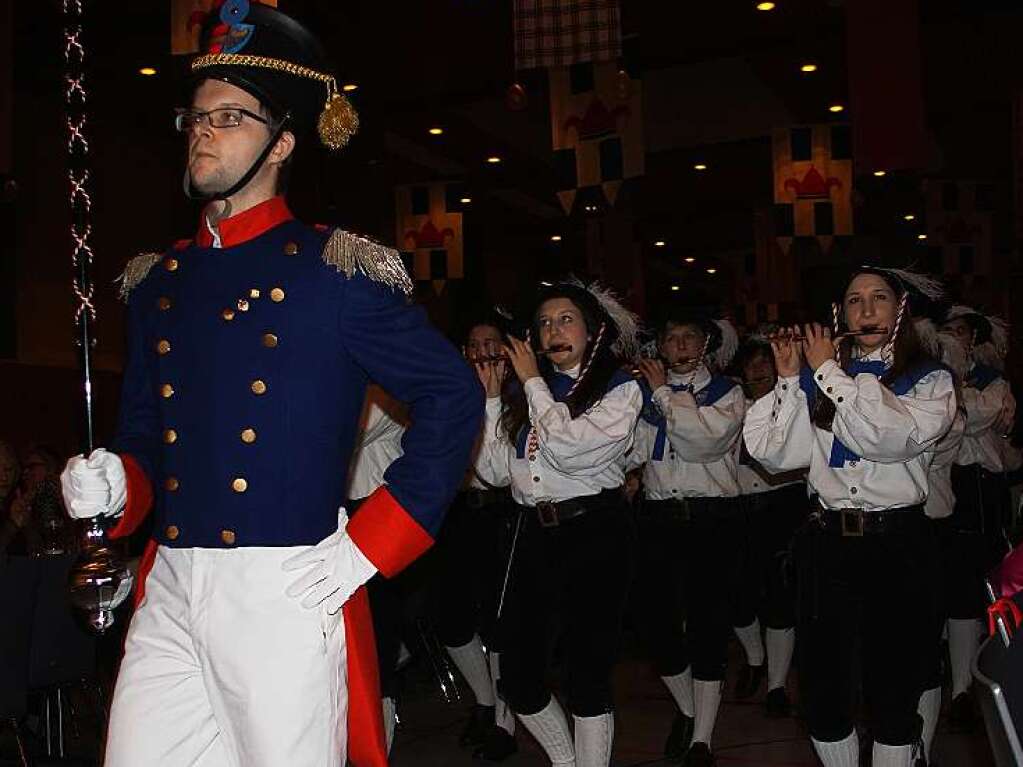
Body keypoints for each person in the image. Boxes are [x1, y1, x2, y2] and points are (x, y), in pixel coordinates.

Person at [59, 4, 482, 766]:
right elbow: (148, 440)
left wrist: (369, 542)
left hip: (284, 585)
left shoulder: (335, 272)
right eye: (196, 114)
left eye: (230, 116)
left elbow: (453, 395)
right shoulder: (159, 284)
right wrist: (115, 483)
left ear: (282, 143)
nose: (203, 130)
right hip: (172, 581)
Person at [744, 267, 955, 767]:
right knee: (823, 694)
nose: (865, 310)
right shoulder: (821, 377)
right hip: (828, 543)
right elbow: (776, 455)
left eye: (878, 298)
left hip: (896, 541)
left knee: (893, 692)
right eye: (854, 300)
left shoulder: (929, 379)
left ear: (900, 309)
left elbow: (890, 438)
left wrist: (827, 375)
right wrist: (790, 379)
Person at [474, 279, 642, 767]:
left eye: (566, 319)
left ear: (592, 331)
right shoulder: (526, 392)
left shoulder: (619, 387)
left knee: (587, 675)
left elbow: (570, 451)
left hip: (596, 530)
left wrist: (530, 384)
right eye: (544, 322)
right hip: (534, 532)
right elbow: (494, 473)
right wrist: (490, 401)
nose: (554, 330)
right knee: (519, 678)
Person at [629, 310, 744, 767]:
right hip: (659, 516)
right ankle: (689, 708)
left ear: (705, 346)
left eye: (688, 336)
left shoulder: (726, 392)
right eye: (670, 336)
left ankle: (702, 738)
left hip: (711, 517)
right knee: (655, 623)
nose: (678, 344)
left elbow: (702, 444)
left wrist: (660, 394)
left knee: (707, 624)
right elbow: (633, 448)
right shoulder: (646, 396)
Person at [433, 314, 518, 762]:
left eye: (491, 343)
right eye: (474, 343)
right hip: (458, 513)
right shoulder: (449, 391)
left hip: (503, 511)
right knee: (451, 618)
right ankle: (485, 701)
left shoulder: (520, 396)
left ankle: (504, 720)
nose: (483, 350)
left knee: (498, 621)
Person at [941, 304, 1018, 730]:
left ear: (973, 338)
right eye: (945, 331)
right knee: (949, 588)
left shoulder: (994, 381)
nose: (952, 337)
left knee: (978, 588)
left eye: (959, 331)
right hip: (944, 487)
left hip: (982, 492)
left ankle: (974, 683)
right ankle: (954, 687)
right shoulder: (929, 376)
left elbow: (974, 417)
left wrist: (956, 402)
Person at [729, 334, 807, 720]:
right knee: (738, 596)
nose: (759, 369)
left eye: (766, 362)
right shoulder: (730, 404)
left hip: (784, 505)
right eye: (752, 363)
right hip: (740, 507)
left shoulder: (794, 403)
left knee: (780, 598)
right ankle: (755, 658)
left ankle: (776, 685)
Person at [914, 320, 968, 764]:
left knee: (923, 643)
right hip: (889, 533)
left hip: (928, 529)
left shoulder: (945, 410)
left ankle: (922, 749)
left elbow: (918, 447)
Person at [346, 384, 410, 756]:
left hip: (383, 510)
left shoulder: (386, 382)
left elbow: (347, 434)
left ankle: (378, 752)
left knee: (379, 638)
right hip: (341, 515)